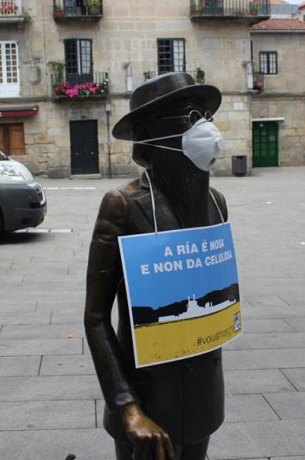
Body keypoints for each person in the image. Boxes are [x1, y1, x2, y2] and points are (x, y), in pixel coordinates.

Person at [85, 72, 228, 460]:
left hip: (204, 395)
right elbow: (95, 317)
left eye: (204, 115)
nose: (204, 127)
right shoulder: (123, 205)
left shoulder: (216, 202)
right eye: (188, 116)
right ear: (151, 133)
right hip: (147, 400)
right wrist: (127, 408)